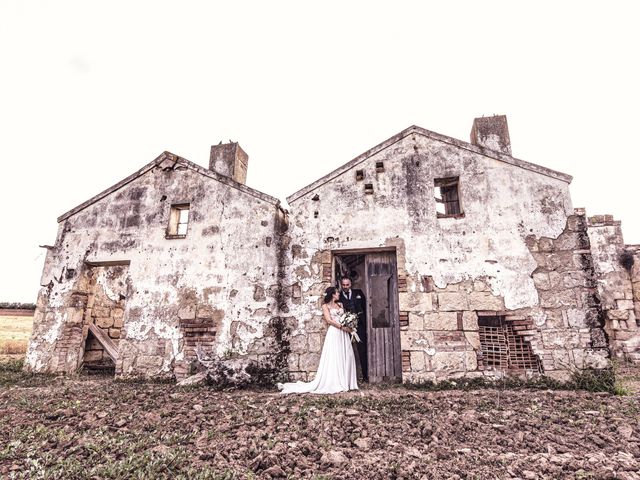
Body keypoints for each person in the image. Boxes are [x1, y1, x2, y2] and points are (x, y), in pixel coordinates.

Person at [277, 287, 358, 394]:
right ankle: (335, 381)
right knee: (335, 355)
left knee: (347, 354)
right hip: (335, 332)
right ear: (333, 294)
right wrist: (342, 326)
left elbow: (344, 316)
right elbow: (329, 320)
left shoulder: (341, 305)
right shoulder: (325, 306)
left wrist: (349, 324)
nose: (339, 294)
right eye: (337, 293)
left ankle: (346, 381)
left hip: (343, 333)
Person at [339, 277, 368, 381]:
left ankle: (365, 376)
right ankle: (347, 378)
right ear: (341, 285)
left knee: (362, 350)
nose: (345, 287)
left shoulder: (358, 293)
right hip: (346, 328)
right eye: (344, 285)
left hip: (359, 326)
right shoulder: (338, 296)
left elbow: (365, 307)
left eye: (347, 285)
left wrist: (365, 323)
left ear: (350, 284)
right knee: (346, 350)